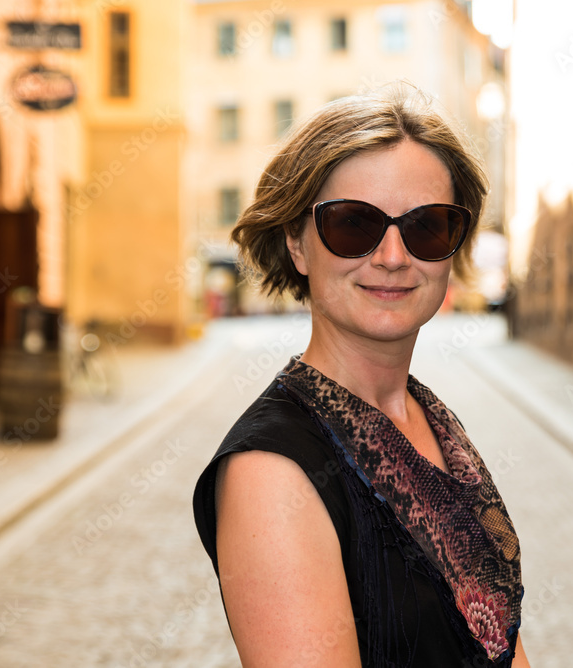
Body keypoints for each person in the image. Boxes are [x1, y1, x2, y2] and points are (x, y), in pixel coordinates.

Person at [192, 83, 530, 667]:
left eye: (427, 226)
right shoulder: (273, 472)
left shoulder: (431, 418)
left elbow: (498, 646)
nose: (394, 256)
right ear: (297, 243)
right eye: (354, 224)